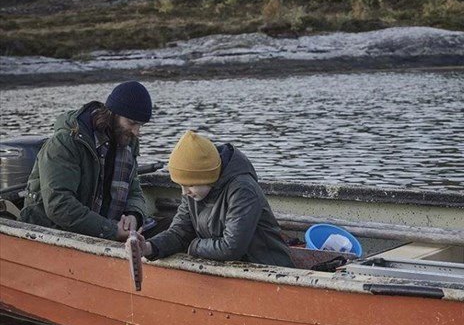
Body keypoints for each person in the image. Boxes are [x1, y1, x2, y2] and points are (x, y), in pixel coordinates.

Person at [131, 130, 294, 267]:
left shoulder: (243, 190)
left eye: (189, 185)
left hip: (266, 266)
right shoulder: (194, 192)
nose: (184, 192)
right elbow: (179, 232)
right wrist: (148, 247)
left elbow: (231, 247)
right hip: (232, 269)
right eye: (181, 185)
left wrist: (193, 246)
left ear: (206, 177)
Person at [20, 81, 153, 241]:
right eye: (132, 123)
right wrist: (111, 231)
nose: (137, 132)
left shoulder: (128, 142)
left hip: (100, 231)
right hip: (48, 232)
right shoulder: (65, 142)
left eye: (141, 125)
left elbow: (134, 191)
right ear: (112, 114)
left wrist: (134, 215)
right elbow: (59, 204)